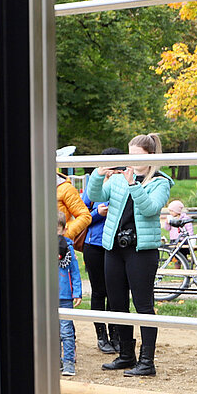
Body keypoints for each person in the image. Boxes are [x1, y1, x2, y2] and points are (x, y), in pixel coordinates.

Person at [86, 133, 172, 377]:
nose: (130, 161)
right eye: (128, 155)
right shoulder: (118, 178)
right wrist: (98, 174)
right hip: (114, 248)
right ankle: (126, 355)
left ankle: (147, 361)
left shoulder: (160, 182)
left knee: (144, 306)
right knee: (117, 304)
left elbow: (150, 208)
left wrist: (134, 183)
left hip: (141, 251)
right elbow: (95, 196)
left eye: (136, 156)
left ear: (151, 157)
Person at [81, 147, 122, 355]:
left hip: (116, 246)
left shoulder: (123, 183)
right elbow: (81, 215)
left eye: (115, 169)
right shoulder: (93, 187)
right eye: (107, 168)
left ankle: (116, 335)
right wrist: (98, 212)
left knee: (116, 292)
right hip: (94, 245)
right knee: (99, 292)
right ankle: (101, 336)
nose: (110, 172)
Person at [57, 212, 83, 377]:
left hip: (65, 296)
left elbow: (75, 272)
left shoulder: (68, 249)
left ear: (64, 229)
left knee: (66, 331)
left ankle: (68, 362)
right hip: (46, 297)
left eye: (56, 230)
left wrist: (77, 292)